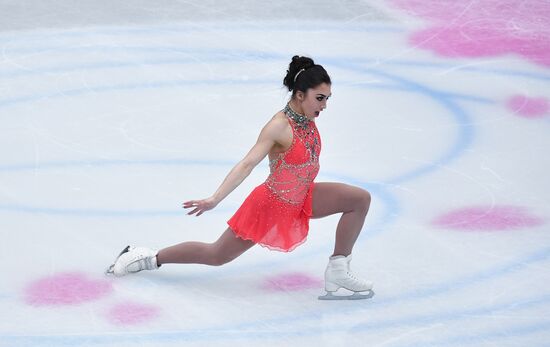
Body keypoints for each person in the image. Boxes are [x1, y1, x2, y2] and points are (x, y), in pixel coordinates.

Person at [106, 56, 374, 300]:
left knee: (359, 199)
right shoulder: (278, 126)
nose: (325, 105)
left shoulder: (306, 117)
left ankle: (339, 268)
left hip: (302, 196)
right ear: (300, 95)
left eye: (328, 98)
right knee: (216, 255)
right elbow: (247, 164)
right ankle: (146, 257)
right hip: (273, 203)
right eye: (320, 98)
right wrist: (214, 198)